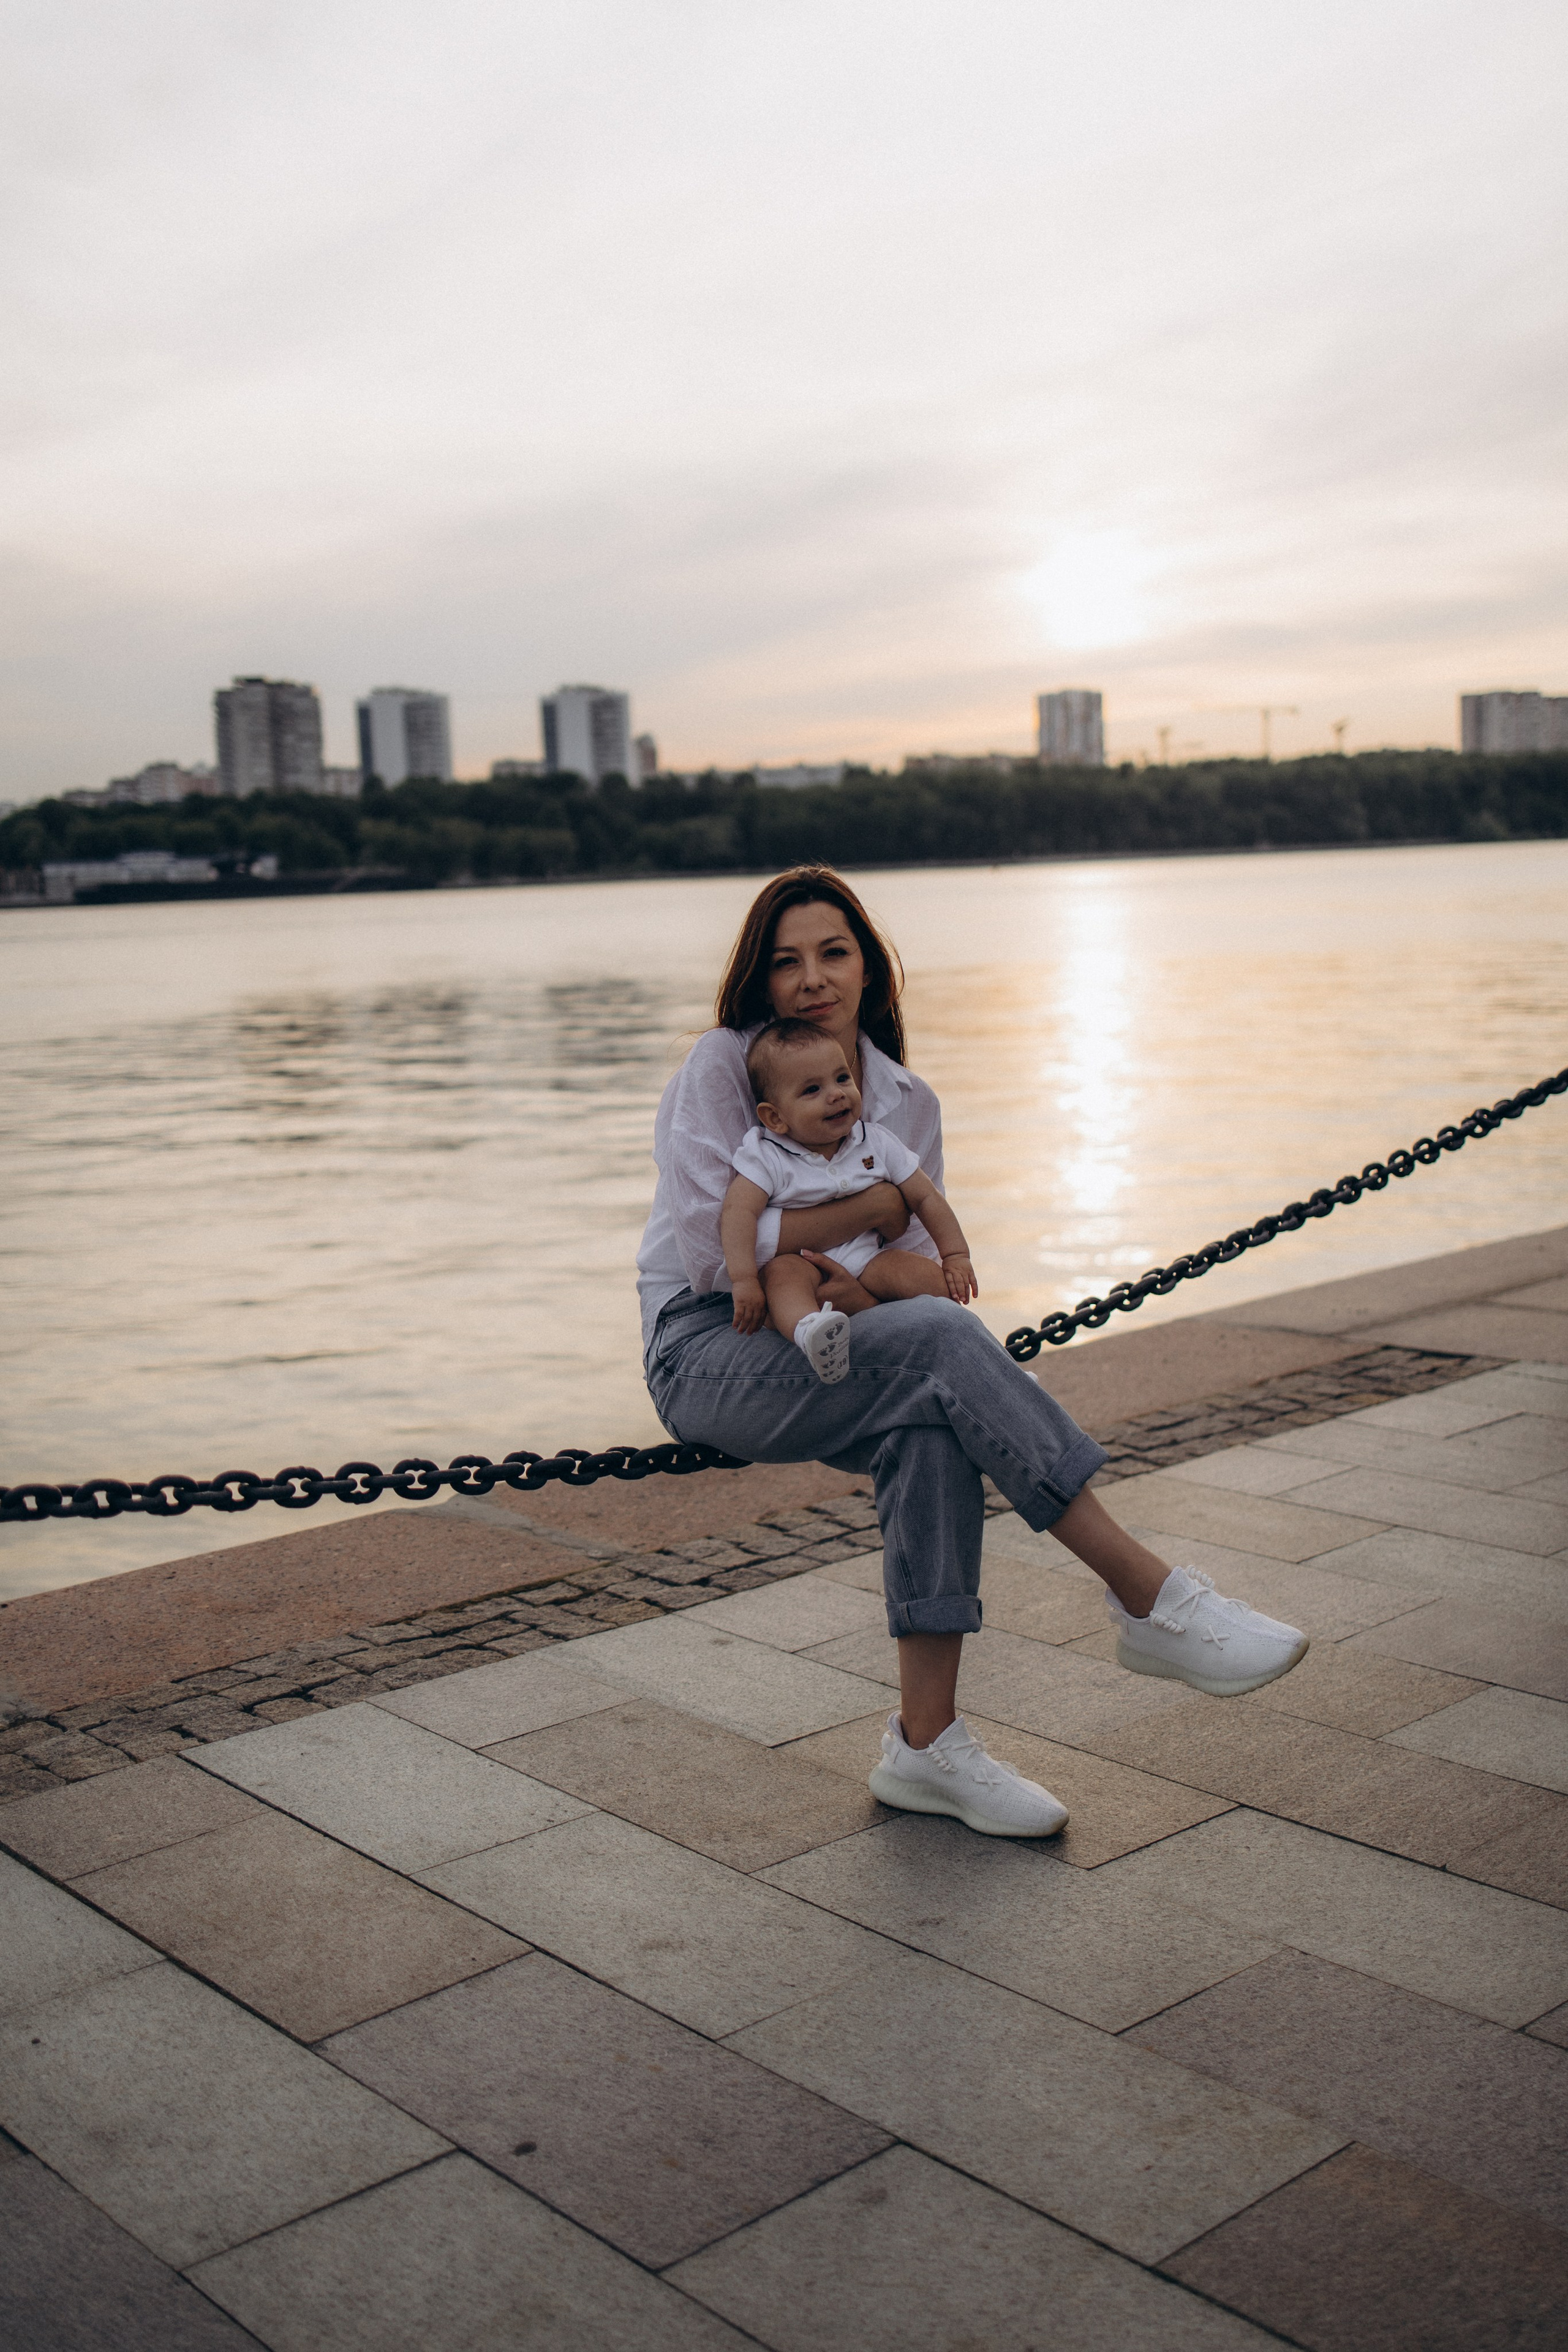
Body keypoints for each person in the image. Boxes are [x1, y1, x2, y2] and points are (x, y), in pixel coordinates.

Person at [636, 865, 1308, 1839]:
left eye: (834, 952)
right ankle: (1148, 1595)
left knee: (936, 1411)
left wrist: (861, 1258)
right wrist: (870, 1208)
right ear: (759, 979)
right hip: (710, 1344)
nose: (812, 978)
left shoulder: (906, 1101)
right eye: (786, 963)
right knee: (944, 1351)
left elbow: (906, 1270)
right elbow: (710, 1250)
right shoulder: (726, 1067)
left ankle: (927, 1747)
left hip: (853, 1331)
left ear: (870, 966)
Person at [720, 1015, 978, 1384]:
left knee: (925, 1278)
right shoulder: (767, 1155)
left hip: (868, 1258)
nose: (836, 1093)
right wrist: (743, 1278)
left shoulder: (875, 1141)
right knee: (782, 1278)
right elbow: (738, 1212)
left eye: (842, 1078)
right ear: (775, 1117)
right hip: (801, 1261)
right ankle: (812, 1332)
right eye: (812, 1090)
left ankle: (981, 1355)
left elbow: (926, 1198)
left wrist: (956, 1255)